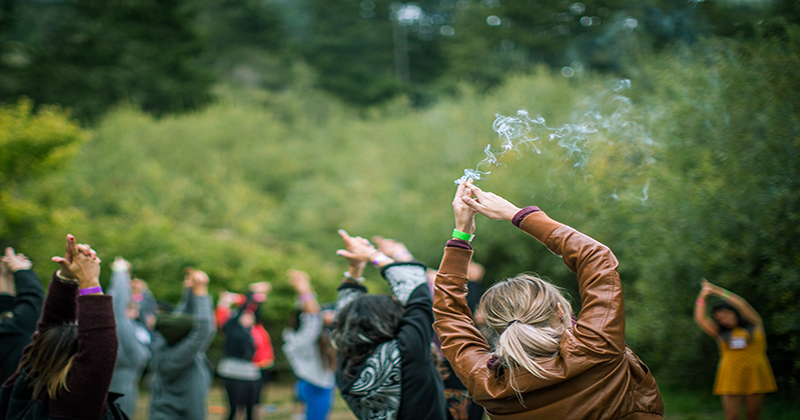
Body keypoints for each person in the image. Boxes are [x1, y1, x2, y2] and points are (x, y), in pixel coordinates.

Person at [433, 180, 664, 419]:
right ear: (560, 311)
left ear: (495, 325)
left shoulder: (485, 381)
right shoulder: (596, 347)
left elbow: (448, 314)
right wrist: (516, 214)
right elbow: (596, 257)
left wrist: (461, 235)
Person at [0, 234, 126, 420]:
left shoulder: (24, 387)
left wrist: (69, 279)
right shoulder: (74, 407)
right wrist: (89, 282)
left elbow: (50, 329)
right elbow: (99, 350)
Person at [333, 230, 446, 420]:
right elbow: (417, 293)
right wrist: (372, 255)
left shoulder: (347, 363)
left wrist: (355, 269)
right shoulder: (407, 352)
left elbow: (343, 319)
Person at [694, 278, 776, 420]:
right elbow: (700, 319)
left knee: (753, 414)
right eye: (719, 319)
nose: (723, 320)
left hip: (755, 374)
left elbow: (742, 304)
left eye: (725, 315)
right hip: (731, 375)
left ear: (734, 312)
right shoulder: (720, 333)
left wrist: (717, 291)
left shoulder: (755, 325)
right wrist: (702, 297)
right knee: (732, 416)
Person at [149, 268, 216, 420]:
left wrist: (190, 290)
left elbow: (181, 316)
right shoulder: (174, 358)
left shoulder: (163, 341)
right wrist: (201, 292)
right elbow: (204, 329)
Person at [282, 269, 335, 420]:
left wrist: (306, 290)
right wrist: (304, 288)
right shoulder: (302, 337)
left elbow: (308, 311)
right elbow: (312, 315)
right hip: (315, 386)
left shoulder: (294, 333)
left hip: (311, 383)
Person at [216, 282, 271, 420]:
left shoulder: (254, 330)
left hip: (251, 372)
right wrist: (250, 292)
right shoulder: (232, 329)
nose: (248, 317)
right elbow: (242, 309)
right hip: (234, 371)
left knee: (252, 407)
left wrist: (258, 298)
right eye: (245, 315)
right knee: (235, 408)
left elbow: (255, 311)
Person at [107, 257, 152, 419]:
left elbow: (119, 308)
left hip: (122, 392)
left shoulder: (134, 330)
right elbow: (116, 304)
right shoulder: (128, 329)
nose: (134, 312)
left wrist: (120, 272)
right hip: (122, 388)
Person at [0, 248, 45, 386]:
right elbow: (33, 299)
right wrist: (21, 270)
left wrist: (6, 277)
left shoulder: (9, 333)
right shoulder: (14, 334)